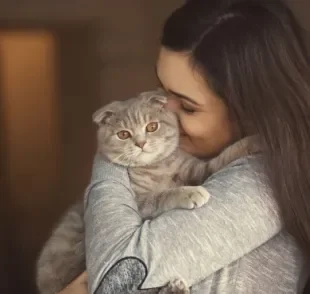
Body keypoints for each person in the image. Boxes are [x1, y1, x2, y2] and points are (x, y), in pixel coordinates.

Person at [61, 0, 310, 293]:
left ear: (250, 112)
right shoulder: (210, 163)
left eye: (189, 108)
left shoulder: (262, 182)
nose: (165, 112)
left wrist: (112, 148)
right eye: (162, 90)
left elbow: (115, 279)